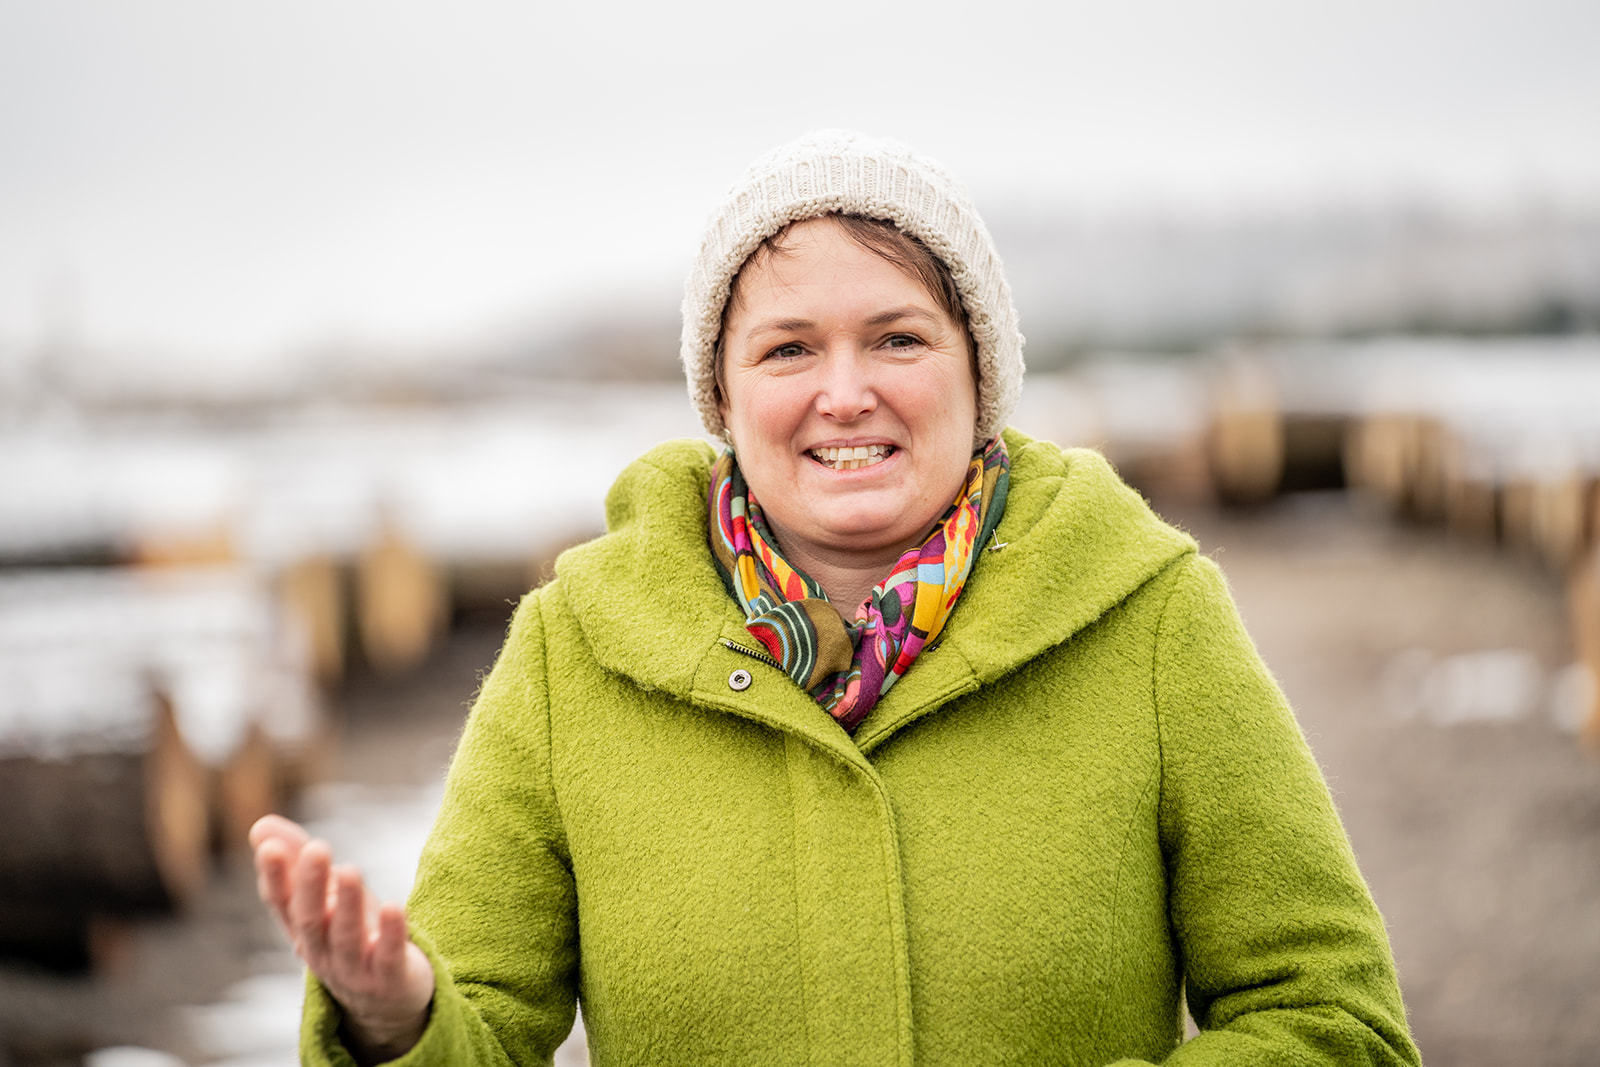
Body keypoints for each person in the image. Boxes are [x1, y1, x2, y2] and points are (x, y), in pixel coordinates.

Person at [252, 129, 1421, 1065]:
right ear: (721, 394)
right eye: (788, 349)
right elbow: (483, 1038)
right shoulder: (573, 652)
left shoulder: (1151, 613)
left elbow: (1336, 1021)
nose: (845, 392)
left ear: (981, 373)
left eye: (898, 337)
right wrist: (399, 1019)